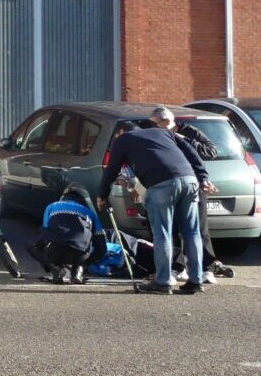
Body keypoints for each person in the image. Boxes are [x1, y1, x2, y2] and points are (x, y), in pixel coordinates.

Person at [98, 107, 217, 294]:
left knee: (163, 233)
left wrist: (102, 195)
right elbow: (191, 151)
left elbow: (111, 170)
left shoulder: (123, 140)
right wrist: (203, 178)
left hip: (161, 185)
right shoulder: (165, 133)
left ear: (121, 132)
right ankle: (196, 280)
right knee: (192, 232)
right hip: (189, 181)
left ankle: (163, 281)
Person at [152, 111, 233, 283]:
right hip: (171, 183)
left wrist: (186, 140)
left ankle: (206, 268)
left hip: (194, 184)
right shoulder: (159, 136)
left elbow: (211, 151)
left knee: (199, 227)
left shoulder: (190, 132)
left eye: (156, 123)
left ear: (166, 121)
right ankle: (177, 267)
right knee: (173, 227)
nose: (155, 127)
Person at [29, 186, 102, 284]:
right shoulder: (90, 213)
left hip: (55, 252)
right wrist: (84, 264)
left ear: (63, 196)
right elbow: (102, 249)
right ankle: (78, 270)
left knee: (31, 245)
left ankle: (56, 268)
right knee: (90, 243)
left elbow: (45, 233)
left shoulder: (52, 206)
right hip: (80, 255)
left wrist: (47, 261)